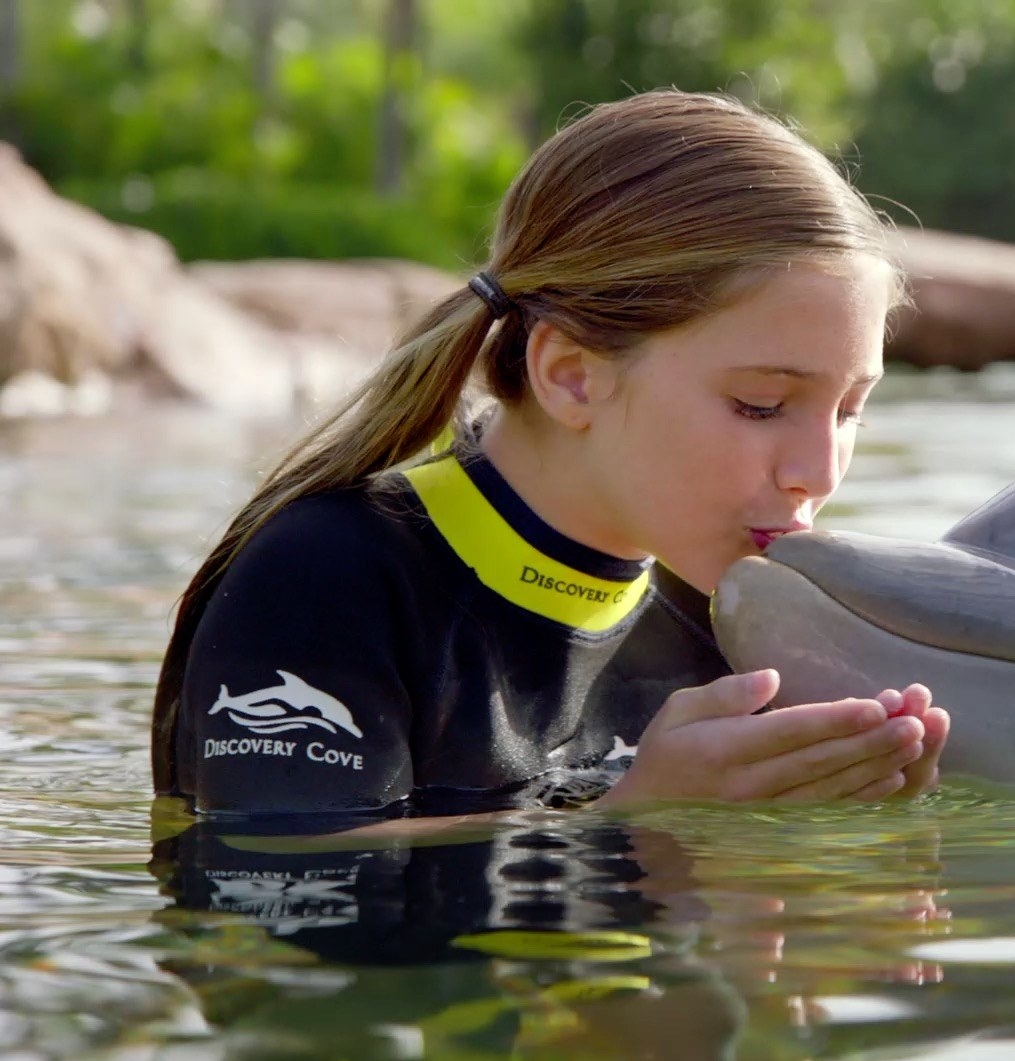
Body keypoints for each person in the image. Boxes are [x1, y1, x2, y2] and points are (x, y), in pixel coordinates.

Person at [148, 90, 950, 827]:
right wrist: (638, 816)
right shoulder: (326, 579)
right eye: (762, 406)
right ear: (571, 376)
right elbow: (271, 874)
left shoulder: (724, 618)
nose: (818, 469)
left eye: (851, 410)